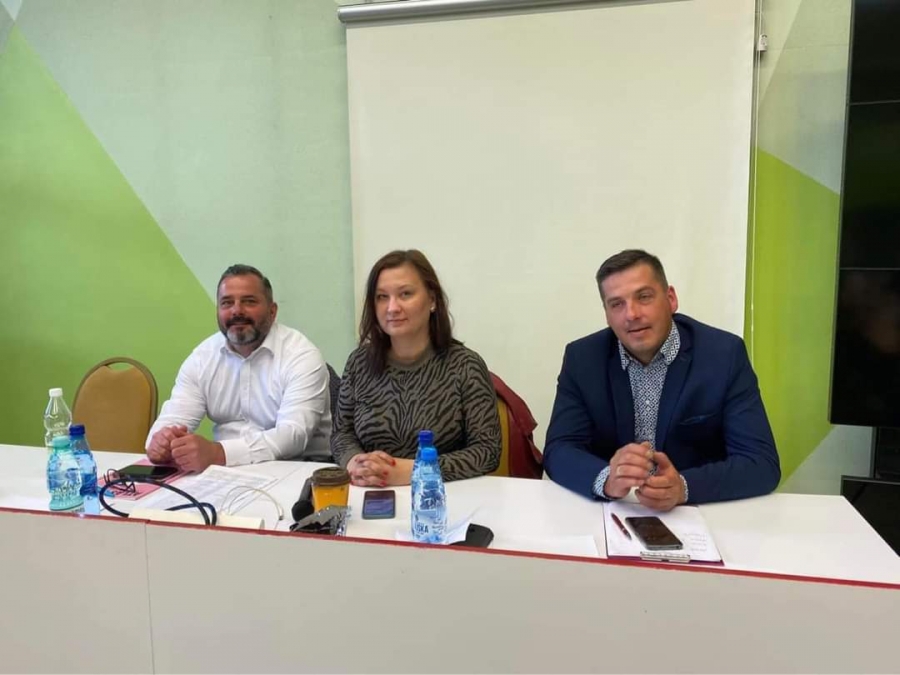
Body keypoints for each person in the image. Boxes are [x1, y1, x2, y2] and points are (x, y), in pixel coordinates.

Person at [543, 249, 780, 509]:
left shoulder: (724, 355)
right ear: (607, 314)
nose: (631, 314)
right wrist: (607, 479)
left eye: (644, 297)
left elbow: (761, 462)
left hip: (696, 512)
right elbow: (559, 450)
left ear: (671, 299)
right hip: (613, 511)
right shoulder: (582, 359)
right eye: (617, 304)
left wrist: (684, 487)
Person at [331, 249, 501, 486]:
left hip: (441, 495)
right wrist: (356, 463)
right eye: (382, 297)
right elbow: (342, 433)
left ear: (432, 300)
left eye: (405, 294)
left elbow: (487, 451)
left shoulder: (466, 365)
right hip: (371, 492)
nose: (392, 307)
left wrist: (415, 470)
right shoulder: (359, 363)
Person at [145, 264, 332, 472]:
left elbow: (293, 435)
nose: (236, 311)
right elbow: (172, 419)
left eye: (249, 301)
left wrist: (218, 453)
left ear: (272, 311)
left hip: (298, 467)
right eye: (227, 303)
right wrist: (161, 442)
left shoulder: (301, 355)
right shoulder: (202, 358)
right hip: (225, 471)